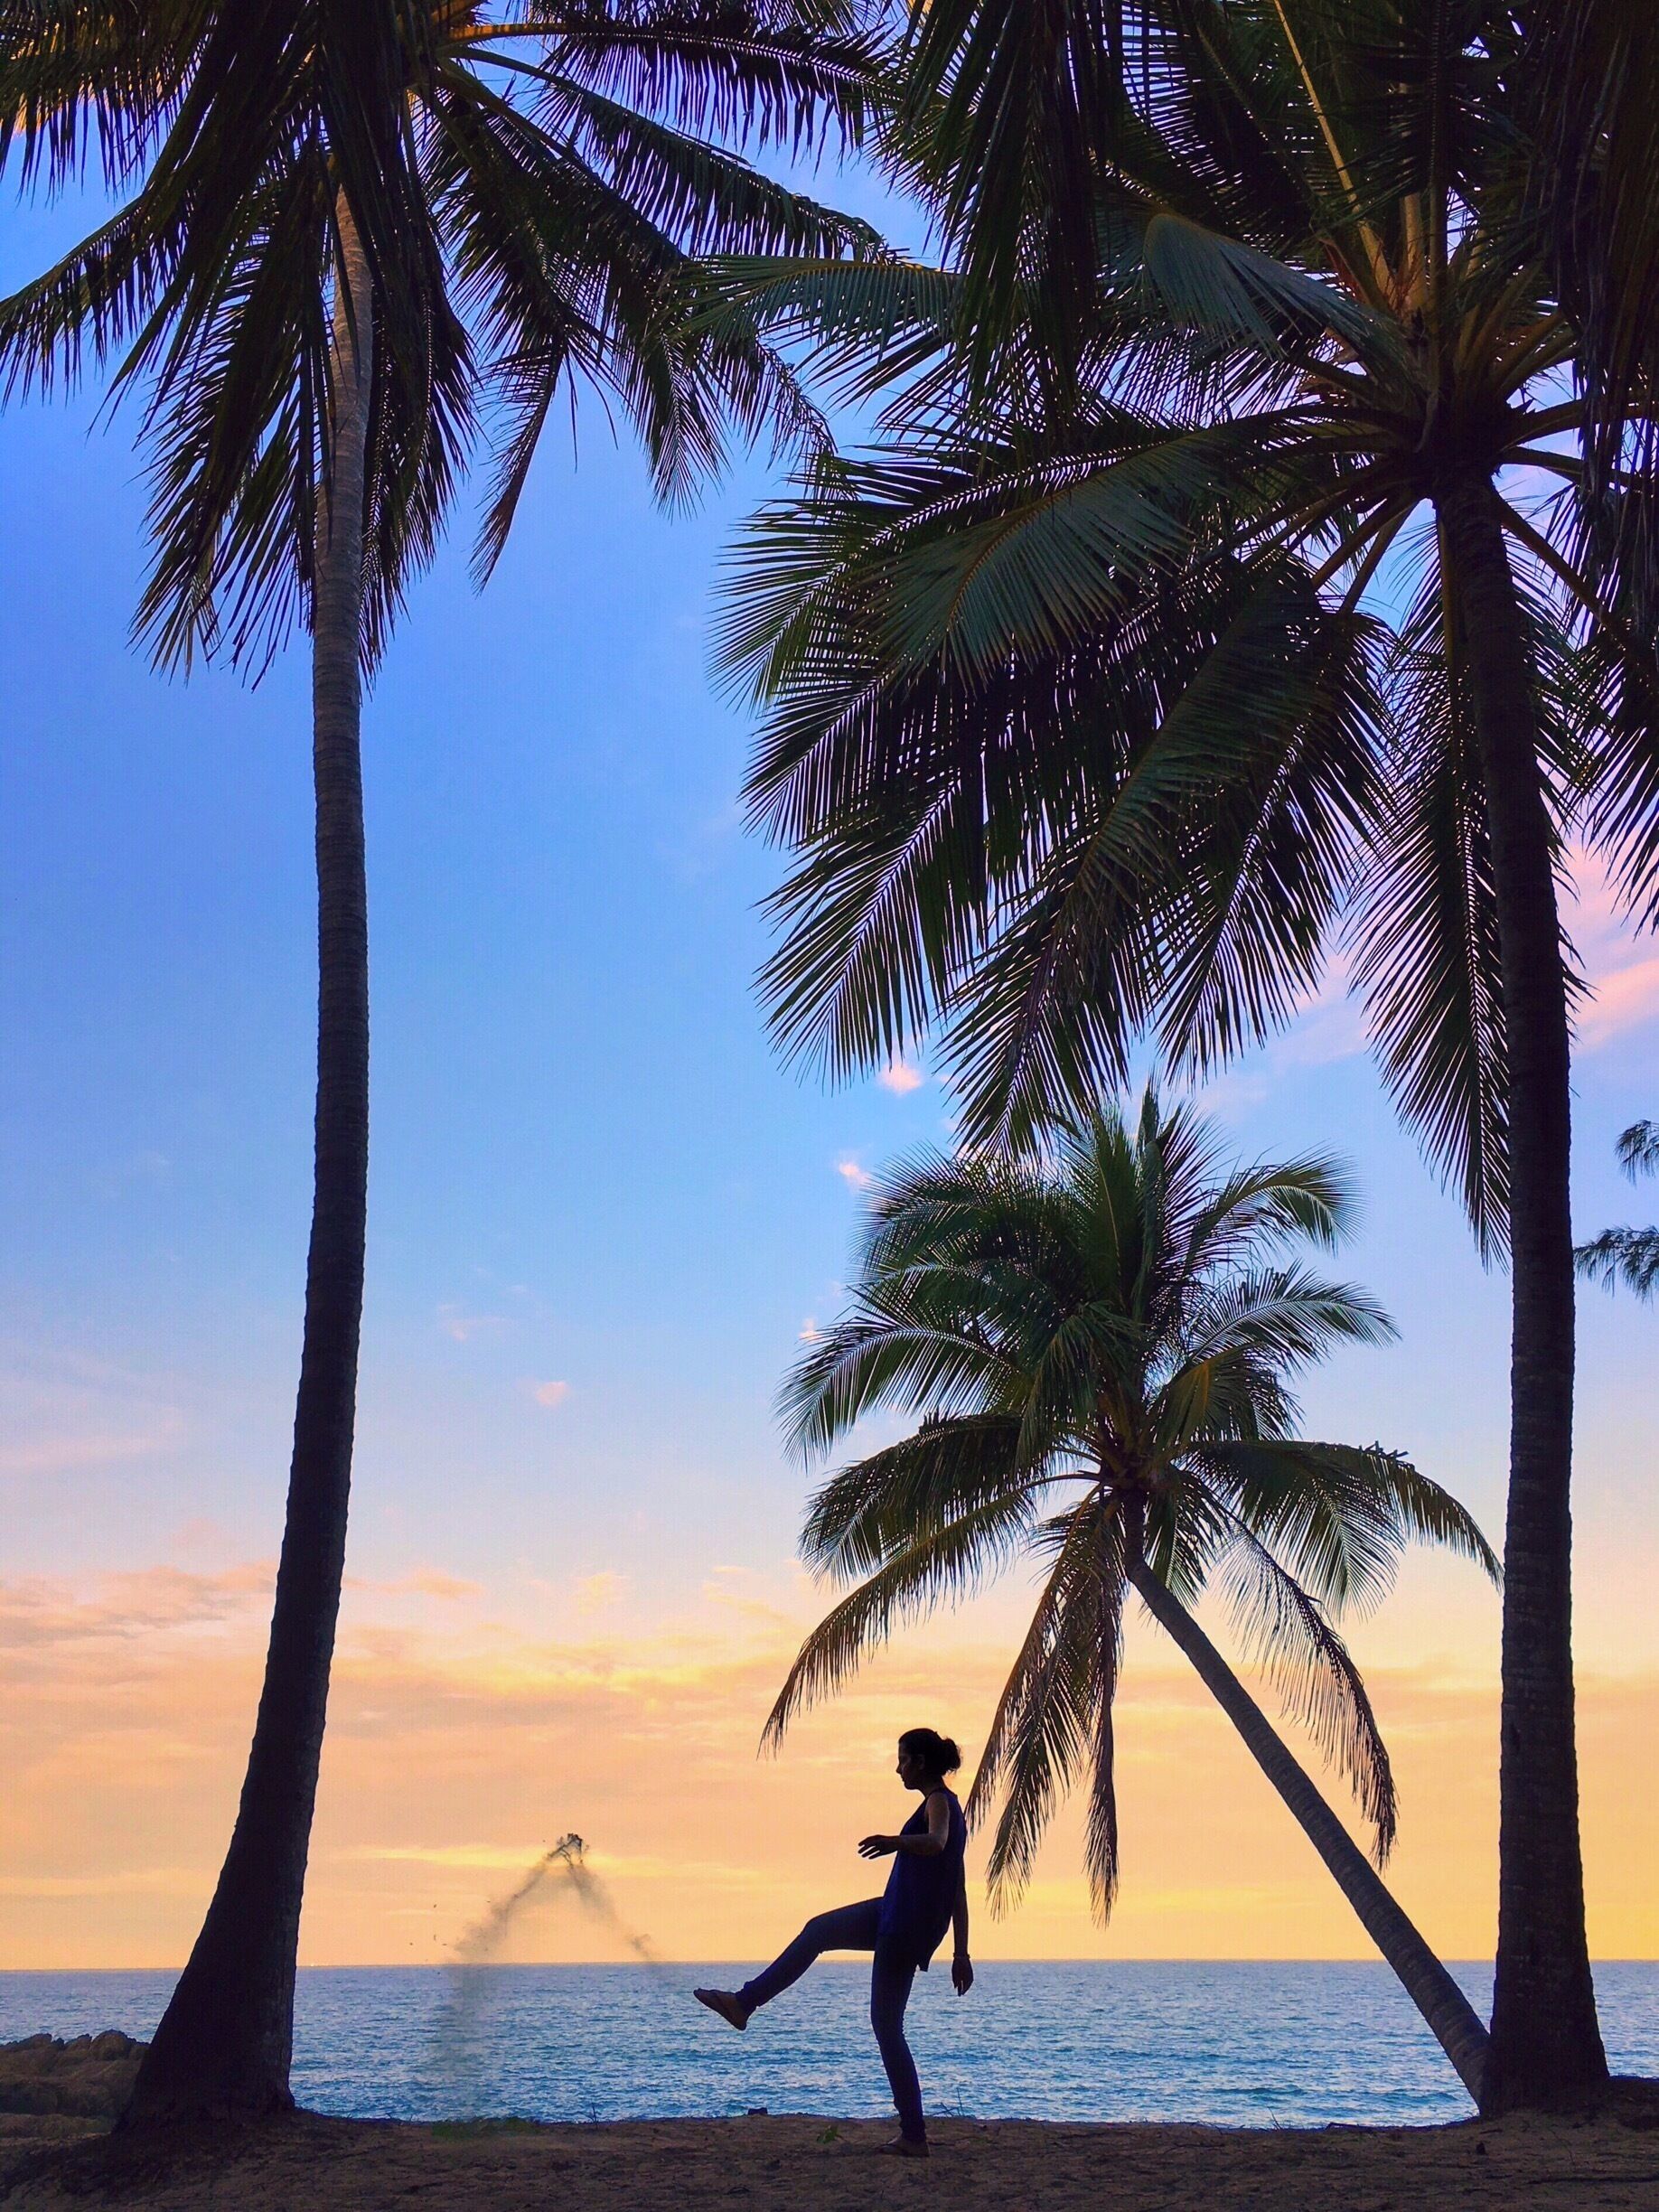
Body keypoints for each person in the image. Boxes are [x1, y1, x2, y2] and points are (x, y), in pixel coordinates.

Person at [694, 1728, 973, 2158]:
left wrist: (892, 1842)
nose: (897, 1768)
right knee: (819, 1931)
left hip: (903, 1927)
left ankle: (914, 2135)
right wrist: (960, 1951)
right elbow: (958, 1886)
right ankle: (744, 2003)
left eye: (902, 1759)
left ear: (920, 1762)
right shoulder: (947, 1807)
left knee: (886, 2026)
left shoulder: (939, 1803)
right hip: (893, 1913)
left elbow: (936, 1845)